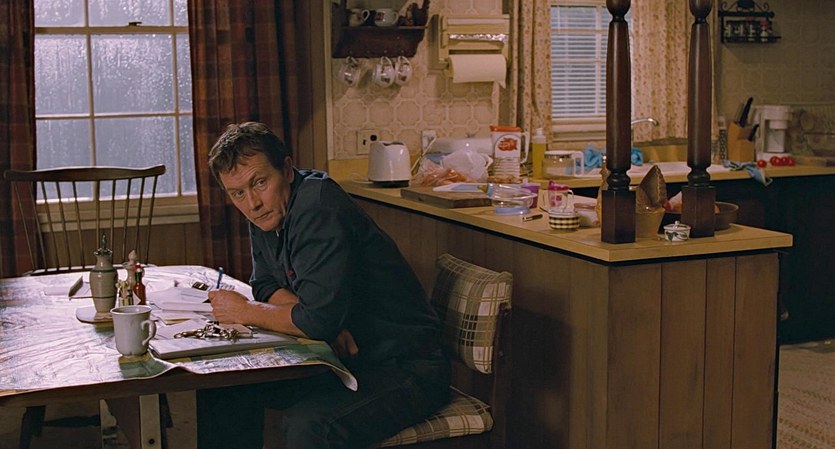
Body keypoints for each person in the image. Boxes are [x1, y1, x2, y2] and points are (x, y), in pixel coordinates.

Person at [197, 121, 450, 449]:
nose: (252, 203)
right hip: (345, 358)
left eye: (260, 182)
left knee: (308, 427)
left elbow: (315, 320)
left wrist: (247, 312)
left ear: (287, 169)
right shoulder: (267, 211)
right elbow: (265, 283)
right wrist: (314, 319)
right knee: (223, 387)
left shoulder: (317, 207)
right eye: (237, 193)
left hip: (407, 369)